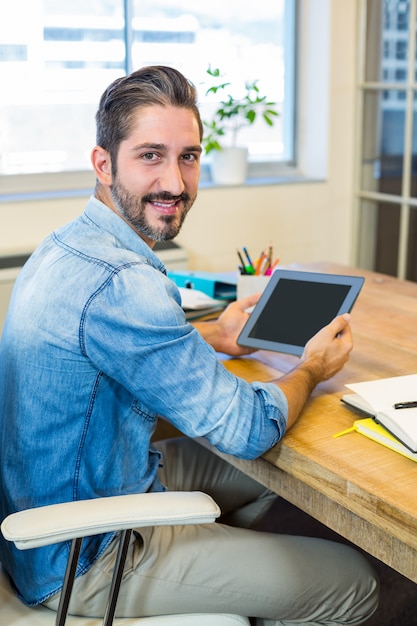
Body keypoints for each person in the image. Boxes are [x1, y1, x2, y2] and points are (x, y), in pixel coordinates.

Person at [0, 65, 378, 625]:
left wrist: (214, 335)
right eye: (150, 155)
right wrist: (311, 367)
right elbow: (246, 430)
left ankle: (233, 583)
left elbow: (100, 346)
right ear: (103, 163)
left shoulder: (65, 247)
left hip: (88, 492)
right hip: (86, 554)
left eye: (189, 157)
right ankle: (218, 581)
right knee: (358, 583)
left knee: (277, 484)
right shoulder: (125, 283)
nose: (175, 183)